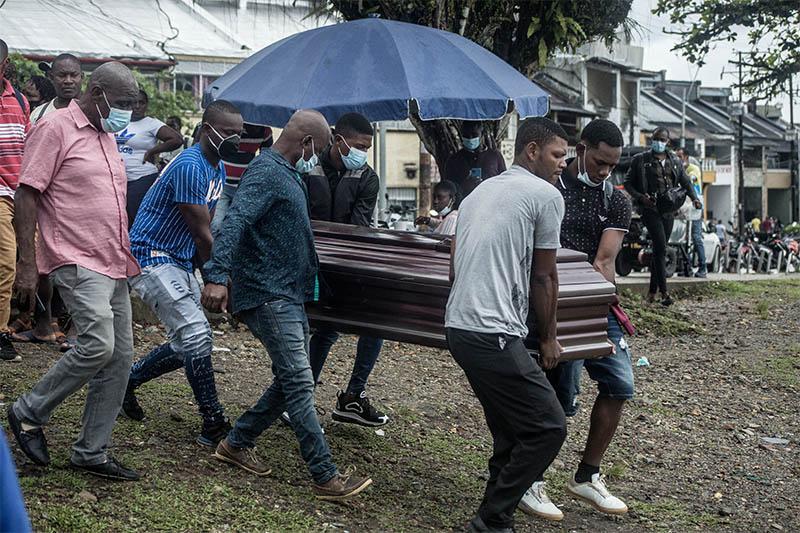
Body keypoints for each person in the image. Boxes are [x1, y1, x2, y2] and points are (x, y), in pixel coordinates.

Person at [201, 109, 372, 501]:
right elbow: (236, 222)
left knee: (291, 379)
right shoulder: (266, 173)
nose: (322, 155)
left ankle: (237, 442)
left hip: (288, 292)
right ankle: (325, 474)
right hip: (267, 293)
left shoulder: (287, 173)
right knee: (298, 380)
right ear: (307, 143)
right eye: (322, 148)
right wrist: (216, 275)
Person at [7, 62, 142, 481]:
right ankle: (28, 411)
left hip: (112, 257)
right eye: (121, 104)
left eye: (132, 106)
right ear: (97, 92)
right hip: (75, 256)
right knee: (98, 345)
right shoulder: (56, 128)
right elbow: (27, 194)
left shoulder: (106, 135)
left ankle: (91, 451)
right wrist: (27, 264)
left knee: (120, 358)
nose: (126, 113)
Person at [446, 117, 568, 532]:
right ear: (532, 151)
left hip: (459, 326)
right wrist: (550, 338)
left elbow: (453, 268)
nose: (562, 164)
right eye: (557, 155)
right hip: (491, 329)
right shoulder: (545, 195)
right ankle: (493, 518)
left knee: (510, 432)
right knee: (549, 426)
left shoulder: (479, 191)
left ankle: (496, 519)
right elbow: (544, 276)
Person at [520, 119, 632, 521]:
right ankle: (531, 479)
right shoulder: (551, 189)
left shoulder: (615, 200)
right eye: (600, 161)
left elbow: (605, 260)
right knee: (559, 398)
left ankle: (587, 475)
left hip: (595, 301)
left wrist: (603, 306)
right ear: (581, 149)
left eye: (612, 165)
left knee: (620, 383)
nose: (605, 171)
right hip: (552, 298)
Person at [121, 100, 243, 447]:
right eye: (229, 133)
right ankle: (213, 422)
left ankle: (128, 381)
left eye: (240, 133)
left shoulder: (215, 167)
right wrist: (219, 280)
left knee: (188, 338)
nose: (236, 140)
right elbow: (201, 233)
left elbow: (204, 235)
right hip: (152, 256)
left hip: (177, 259)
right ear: (207, 130)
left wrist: (217, 277)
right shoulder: (191, 166)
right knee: (196, 334)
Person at [300, 112, 388, 427]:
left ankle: (354, 394)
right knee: (322, 329)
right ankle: (298, 394)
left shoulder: (367, 178)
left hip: (349, 262)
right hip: (307, 261)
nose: (364, 152)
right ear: (339, 141)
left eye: (368, 146)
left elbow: (360, 228)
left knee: (375, 323)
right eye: (360, 145)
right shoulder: (307, 168)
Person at [624, 127, 701, 305]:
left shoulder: (674, 160)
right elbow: (628, 183)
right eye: (656, 139)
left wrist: (694, 199)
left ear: (667, 142)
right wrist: (641, 197)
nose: (658, 142)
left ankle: (652, 293)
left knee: (659, 251)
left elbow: (685, 181)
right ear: (652, 140)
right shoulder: (640, 160)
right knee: (661, 247)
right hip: (650, 210)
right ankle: (665, 293)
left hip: (669, 210)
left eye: (662, 139)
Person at [0, 39, 30, 362]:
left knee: (21, 264)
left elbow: (28, 146)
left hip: (20, 193)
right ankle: (1, 332)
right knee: (7, 263)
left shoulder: (20, 102)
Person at [116, 89, 183, 226]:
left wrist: (153, 151)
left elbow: (176, 139)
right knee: (119, 219)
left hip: (141, 178)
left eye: (141, 102)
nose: (137, 106)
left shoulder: (151, 123)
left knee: (135, 219)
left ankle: (137, 247)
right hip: (117, 179)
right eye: (134, 102)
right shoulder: (119, 121)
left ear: (146, 105)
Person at [210, 122, 272, 238]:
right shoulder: (235, 125)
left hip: (246, 188)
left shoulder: (265, 131)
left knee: (238, 227)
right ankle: (213, 254)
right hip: (223, 185)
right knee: (216, 225)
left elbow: (267, 157)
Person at [444, 120, 507, 197]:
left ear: (482, 134)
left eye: (474, 135)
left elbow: (504, 183)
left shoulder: (495, 156)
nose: (470, 138)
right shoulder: (454, 160)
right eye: (466, 135)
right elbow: (447, 190)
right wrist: (464, 186)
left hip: (491, 203)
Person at [676, 147, 706, 277]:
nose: (677, 159)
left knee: (696, 237)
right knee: (684, 238)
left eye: (679, 157)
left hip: (695, 205)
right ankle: (687, 267)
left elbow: (690, 183)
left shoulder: (693, 170)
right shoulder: (679, 170)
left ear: (686, 158)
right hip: (684, 205)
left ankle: (702, 268)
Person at [30, 54, 82, 123]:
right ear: (51, 77)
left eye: (73, 75)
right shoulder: (38, 114)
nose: (68, 81)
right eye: (62, 75)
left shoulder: (94, 113)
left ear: (82, 77)